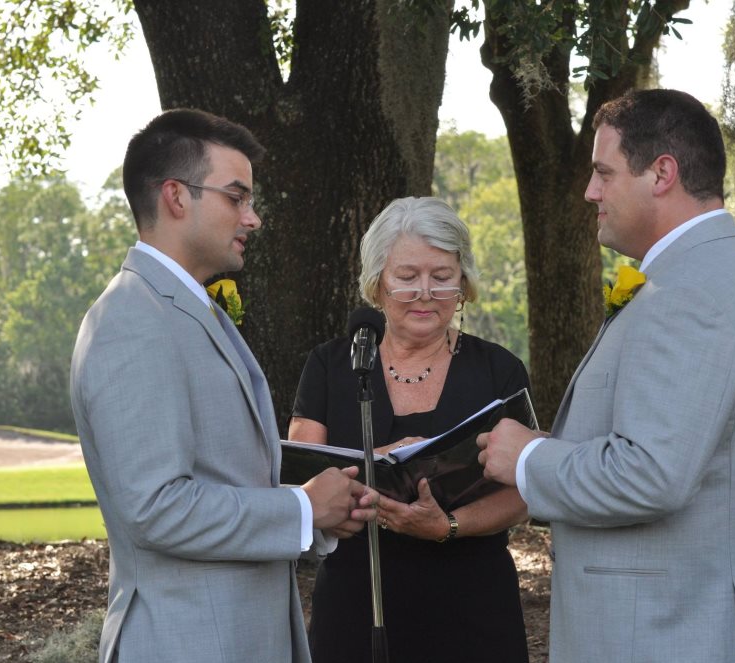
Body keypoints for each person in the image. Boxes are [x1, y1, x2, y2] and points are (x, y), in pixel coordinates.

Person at [477, 89, 735, 663]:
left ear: (662, 173)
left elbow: (651, 474)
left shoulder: (692, 293)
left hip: (672, 633)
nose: (590, 192)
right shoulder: (723, 273)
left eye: (604, 172)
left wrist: (529, 459)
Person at [70, 108, 377, 663]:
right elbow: (157, 508)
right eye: (237, 198)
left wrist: (338, 492)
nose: (252, 218)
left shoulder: (187, 309)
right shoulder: (131, 322)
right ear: (176, 197)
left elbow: (225, 469)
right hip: (187, 642)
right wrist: (301, 510)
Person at [288, 196, 531, 663]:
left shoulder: (499, 369)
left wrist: (448, 526)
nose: (425, 292)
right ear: (377, 283)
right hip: (356, 601)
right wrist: (379, 460)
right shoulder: (330, 365)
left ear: (463, 283)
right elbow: (303, 478)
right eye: (406, 277)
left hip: (473, 603)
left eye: (442, 277)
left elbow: (522, 493)